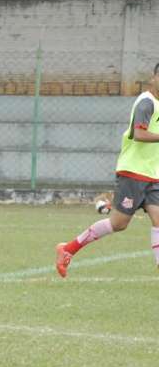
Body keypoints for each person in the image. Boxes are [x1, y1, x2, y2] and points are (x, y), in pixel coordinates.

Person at [55, 62, 159, 277]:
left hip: (153, 174)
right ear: (153, 77)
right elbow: (139, 134)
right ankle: (68, 249)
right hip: (133, 172)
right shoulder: (146, 104)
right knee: (119, 223)